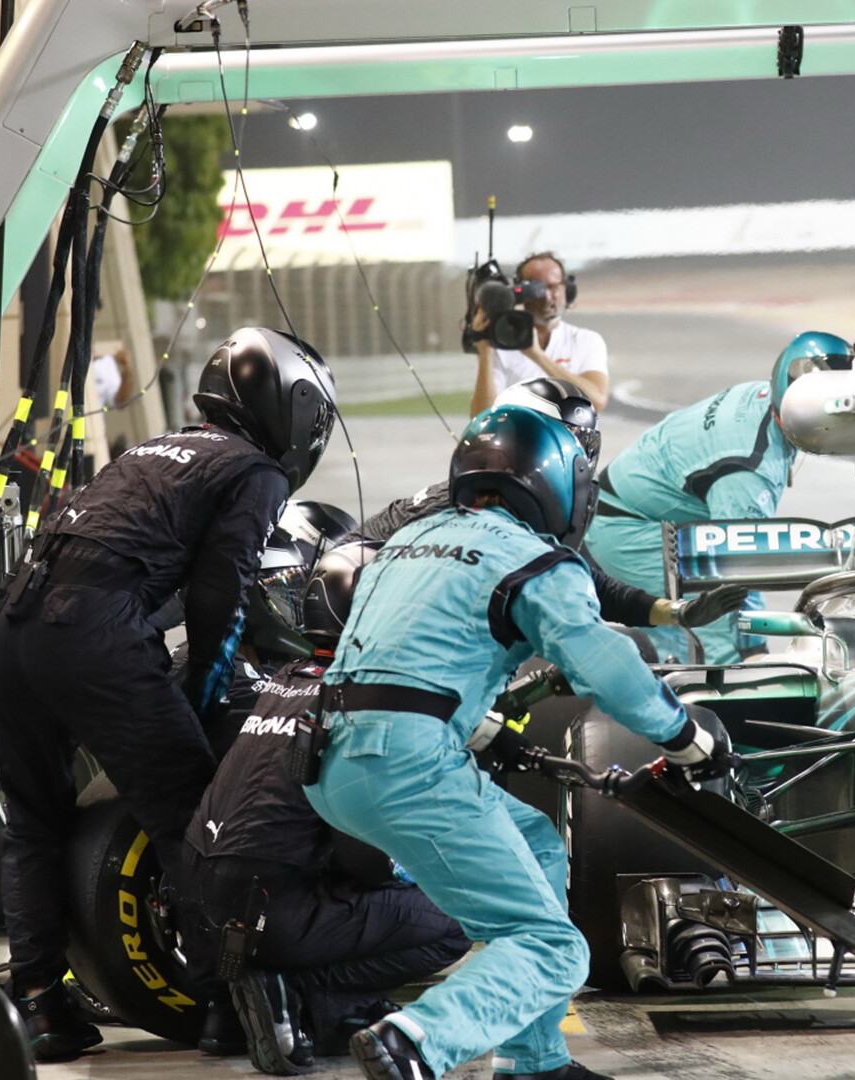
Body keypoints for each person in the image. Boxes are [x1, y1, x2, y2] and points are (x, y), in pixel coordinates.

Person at [304, 405, 724, 1080]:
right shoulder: (533, 558)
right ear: (557, 485)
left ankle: (536, 1062)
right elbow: (602, 663)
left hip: (330, 759)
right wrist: (683, 735)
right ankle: (417, 1039)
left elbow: (411, 655)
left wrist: (479, 721)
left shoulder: (411, 543)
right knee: (553, 946)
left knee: (534, 841)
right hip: (409, 761)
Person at [0, 327, 337, 1061]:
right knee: (193, 817)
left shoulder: (151, 447)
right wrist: (203, 698)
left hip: (11, 630)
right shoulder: (254, 470)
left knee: (32, 826)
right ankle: (225, 1005)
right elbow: (220, 592)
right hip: (91, 629)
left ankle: (43, 1007)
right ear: (291, 409)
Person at [187, 542, 473, 1074]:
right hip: (275, 911)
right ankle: (297, 990)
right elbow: (368, 861)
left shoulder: (285, 680)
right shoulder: (357, 700)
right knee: (459, 915)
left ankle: (322, 1011)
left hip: (205, 901)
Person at [349, 377, 747, 636]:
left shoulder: (522, 505)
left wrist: (679, 613)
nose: (576, 456)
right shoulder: (468, 508)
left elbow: (590, 582)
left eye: (582, 443)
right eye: (564, 440)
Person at [585, 332, 849, 663]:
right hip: (630, 528)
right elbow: (736, 571)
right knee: (718, 632)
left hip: (637, 503)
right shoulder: (748, 470)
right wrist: (751, 653)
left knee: (684, 642)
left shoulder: (766, 396)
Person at [470, 252, 608, 414]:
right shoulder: (500, 346)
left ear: (567, 289)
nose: (547, 297)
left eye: (553, 287)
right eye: (538, 289)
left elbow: (597, 401)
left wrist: (537, 355)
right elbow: (482, 417)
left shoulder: (586, 340)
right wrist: (485, 352)